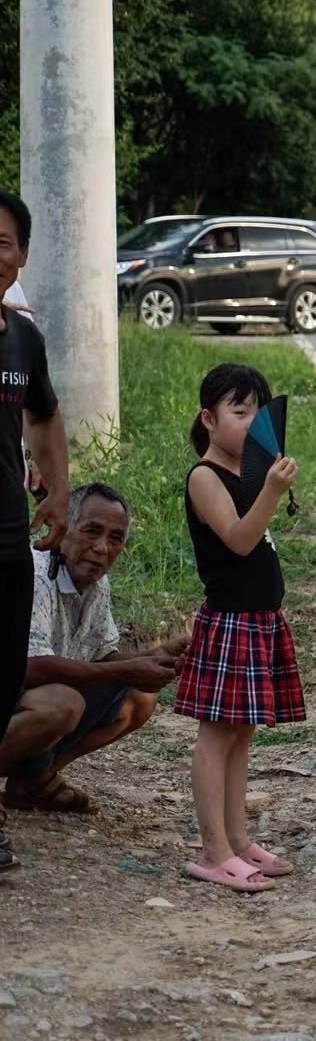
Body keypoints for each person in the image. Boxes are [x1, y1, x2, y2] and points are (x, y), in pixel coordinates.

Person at [176, 363, 302, 892]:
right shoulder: (205, 477)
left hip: (257, 621)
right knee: (217, 734)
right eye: (239, 411)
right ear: (209, 418)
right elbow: (240, 539)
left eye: (258, 413)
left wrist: (266, 483)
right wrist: (272, 491)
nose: (251, 423)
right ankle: (212, 850)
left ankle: (238, 837)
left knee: (242, 731)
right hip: (229, 623)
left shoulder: (247, 473)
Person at [0, 485, 181, 813]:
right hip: (18, 691)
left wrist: (159, 655)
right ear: (62, 530)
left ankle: (36, 780)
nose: (102, 548)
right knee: (62, 704)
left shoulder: (95, 581)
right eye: (91, 531)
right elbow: (31, 669)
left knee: (139, 700)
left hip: (30, 698)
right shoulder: (36, 573)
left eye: (115, 538)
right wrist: (128, 669)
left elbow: (100, 657)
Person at [0, 191, 69, 874]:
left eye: (2, 241)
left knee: (4, 677)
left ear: (19, 257)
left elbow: (44, 417)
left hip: (8, 534)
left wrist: (60, 491)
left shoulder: (23, 339)